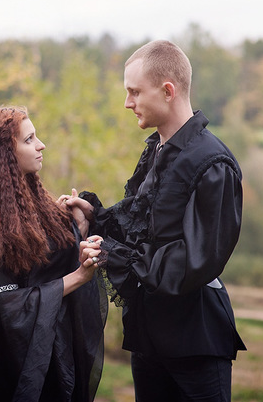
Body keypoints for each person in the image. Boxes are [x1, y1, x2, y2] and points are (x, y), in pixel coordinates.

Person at [65, 40, 246, 402]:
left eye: (134, 92)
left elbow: (196, 261)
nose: (127, 102)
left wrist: (115, 255)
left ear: (167, 91)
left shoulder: (213, 163)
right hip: (148, 337)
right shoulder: (157, 150)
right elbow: (140, 227)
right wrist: (95, 219)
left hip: (194, 341)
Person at [0, 106, 107, 402]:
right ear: (4, 154)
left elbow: (49, 268)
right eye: (29, 140)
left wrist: (77, 229)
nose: (41, 145)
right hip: (18, 360)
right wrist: (80, 277)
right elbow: (9, 304)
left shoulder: (35, 205)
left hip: (60, 346)